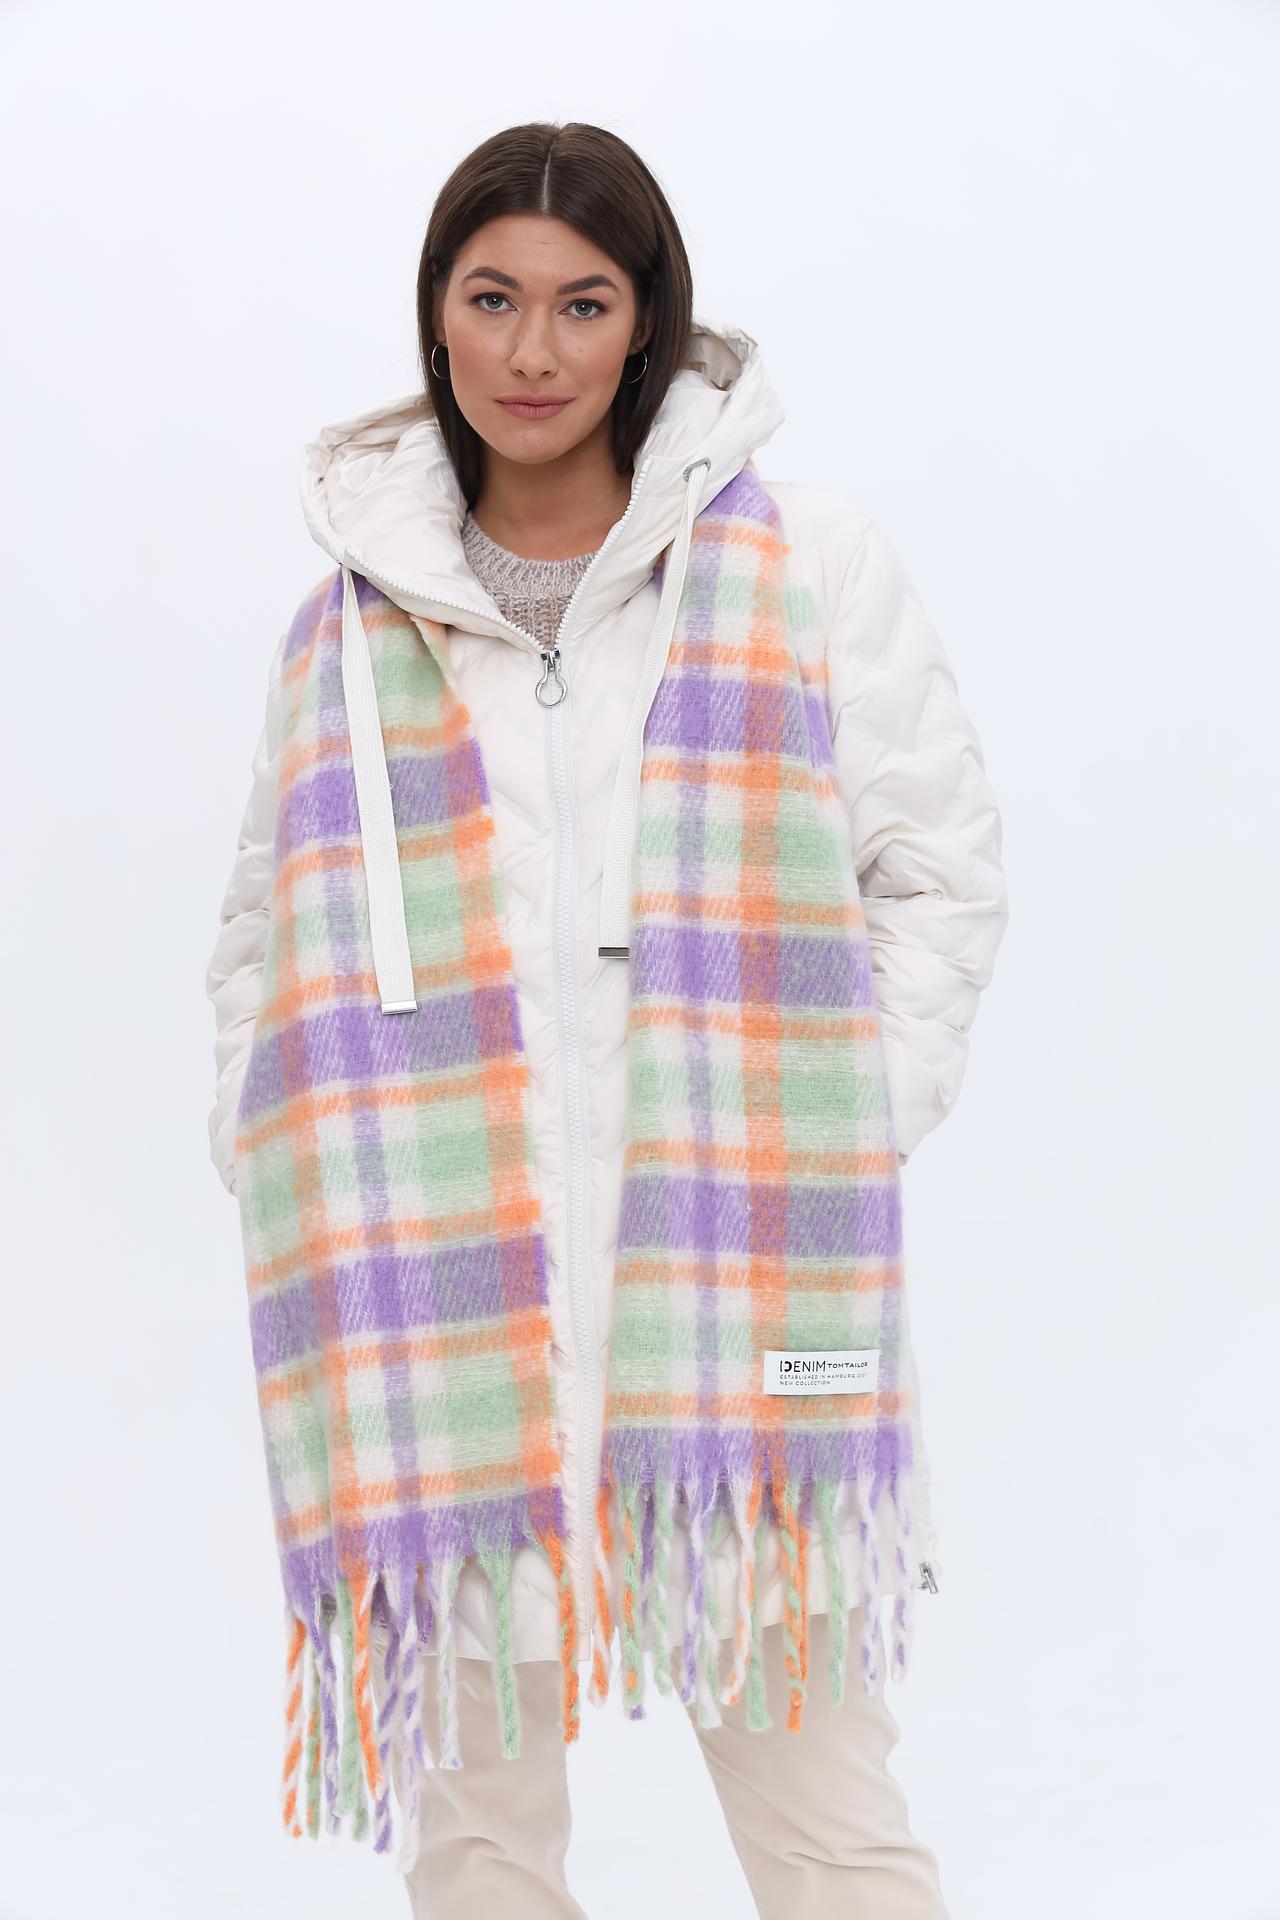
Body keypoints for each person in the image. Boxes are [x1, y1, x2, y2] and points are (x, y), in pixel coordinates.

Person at [205, 119, 1009, 1919]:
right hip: (430, 1308)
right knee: (479, 1840)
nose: (532, 352)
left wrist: (837, 1123)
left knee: (829, 1819)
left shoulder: (803, 564)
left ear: (646, 322)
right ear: (437, 313)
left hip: (746, 1284)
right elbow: (264, 933)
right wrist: (274, 1153)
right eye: (491, 298)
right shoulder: (345, 632)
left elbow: (937, 875)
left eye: (583, 304)